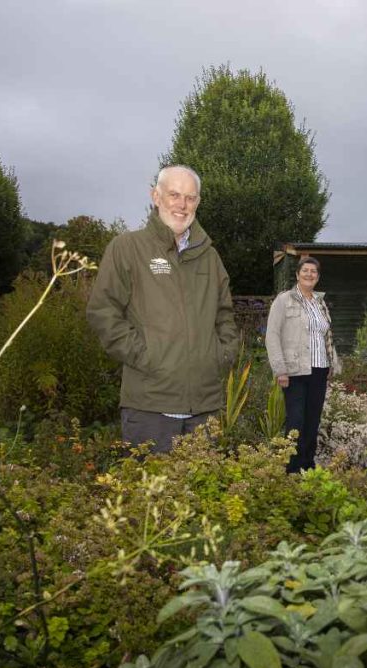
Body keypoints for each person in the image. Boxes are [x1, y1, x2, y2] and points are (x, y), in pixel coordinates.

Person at [86, 165, 239, 453]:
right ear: (156, 196)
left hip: (205, 407)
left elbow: (224, 313)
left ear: (198, 202)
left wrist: (222, 355)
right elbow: (103, 311)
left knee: (202, 495)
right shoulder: (127, 248)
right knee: (152, 495)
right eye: (174, 194)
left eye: (190, 198)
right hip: (150, 405)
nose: (182, 205)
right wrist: (146, 357)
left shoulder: (209, 256)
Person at [265, 257, 341, 473]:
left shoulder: (320, 302)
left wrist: (332, 364)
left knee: (312, 420)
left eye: (314, 271)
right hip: (295, 371)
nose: (309, 274)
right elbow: (272, 335)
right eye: (305, 270)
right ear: (297, 275)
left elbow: (326, 336)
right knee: (296, 421)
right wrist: (280, 369)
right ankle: (292, 468)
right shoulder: (284, 300)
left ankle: (308, 465)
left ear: (318, 277)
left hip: (319, 370)